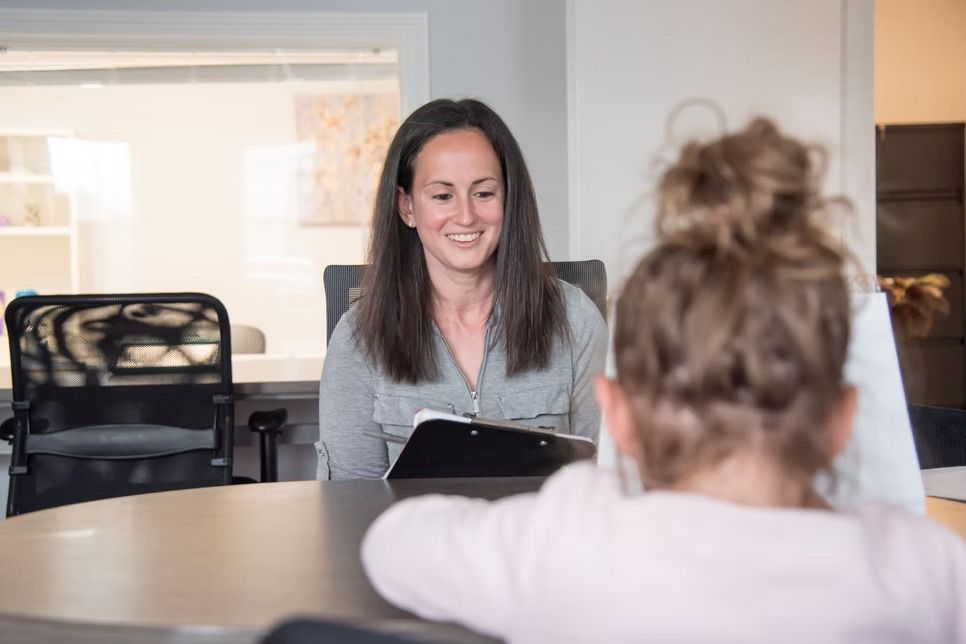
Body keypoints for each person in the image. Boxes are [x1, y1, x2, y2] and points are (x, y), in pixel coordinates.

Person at [361, 118, 966, 643]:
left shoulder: (570, 540)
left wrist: (585, 502)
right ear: (843, 419)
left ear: (618, 415)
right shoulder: (922, 569)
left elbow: (392, 543)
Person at [316, 98, 608, 480]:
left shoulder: (576, 320)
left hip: (540, 538)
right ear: (406, 207)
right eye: (442, 196)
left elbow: (605, 481)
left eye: (484, 193)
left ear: (508, 199)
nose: (466, 215)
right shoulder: (358, 337)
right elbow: (349, 508)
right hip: (415, 540)